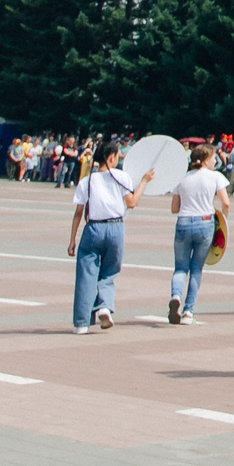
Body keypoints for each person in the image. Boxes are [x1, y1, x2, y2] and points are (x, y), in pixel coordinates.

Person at [68, 141, 153, 333]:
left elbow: (78, 213)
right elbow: (131, 203)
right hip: (115, 228)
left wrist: (72, 239)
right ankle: (105, 306)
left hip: (93, 228)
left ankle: (81, 323)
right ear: (111, 157)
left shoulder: (87, 180)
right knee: (109, 272)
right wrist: (144, 181)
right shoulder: (121, 177)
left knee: (86, 275)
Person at [169, 142, 232, 325]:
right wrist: (222, 222)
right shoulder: (215, 177)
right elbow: (225, 203)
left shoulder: (182, 178)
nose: (215, 161)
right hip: (205, 223)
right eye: (213, 158)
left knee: (180, 268)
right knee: (196, 268)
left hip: (183, 221)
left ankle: (175, 296)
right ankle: (188, 311)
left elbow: (174, 208)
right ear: (205, 159)